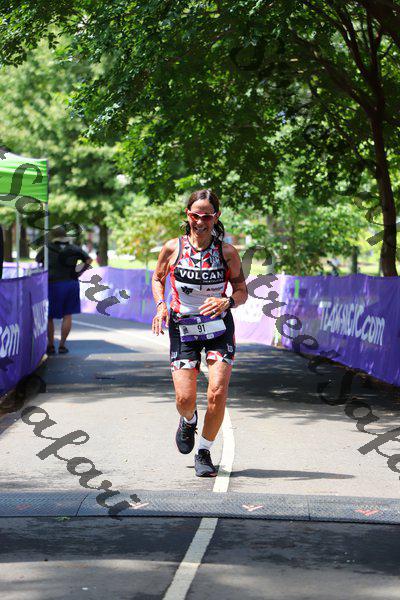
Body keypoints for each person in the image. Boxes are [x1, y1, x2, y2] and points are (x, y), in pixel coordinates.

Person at [152, 189, 248, 477]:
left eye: (207, 217)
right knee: (185, 399)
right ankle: (188, 420)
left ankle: (204, 451)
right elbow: (157, 279)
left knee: (217, 391)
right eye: (196, 216)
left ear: (216, 217)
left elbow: (242, 291)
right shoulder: (173, 248)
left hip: (218, 328)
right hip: (183, 328)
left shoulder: (227, 253)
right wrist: (161, 305)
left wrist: (227, 301)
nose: (201, 222)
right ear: (188, 215)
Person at [36, 226, 92, 354]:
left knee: (49, 316)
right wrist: (79, 272)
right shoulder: (74, 248)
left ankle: (50, 345)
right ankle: (62, 345)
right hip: (71, 283)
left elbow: (38, 260)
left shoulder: (47, 248)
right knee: (68, 314)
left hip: (53, 284)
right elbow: (88, 259)